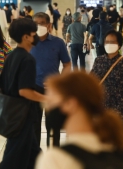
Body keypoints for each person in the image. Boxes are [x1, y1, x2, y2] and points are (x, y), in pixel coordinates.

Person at [36, 72, 123, 169]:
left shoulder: (55, 159)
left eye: (50, 102)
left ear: (70, 104)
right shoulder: (114, 152)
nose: (47, 107)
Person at [0, 18, 45, 169]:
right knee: (12, 158)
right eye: (33, 33)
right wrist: (47, 99)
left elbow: (1, 88)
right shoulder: (27, 59)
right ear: (26, 37)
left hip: (12, 115)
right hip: (22, 116)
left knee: (34, 155)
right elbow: (25, 91)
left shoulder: (11, 56)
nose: (35, 36)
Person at [91, 30, 123, 164]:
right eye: (107, 42)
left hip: (120, 103)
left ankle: (121, 158)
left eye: (113, 42)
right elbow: (92, 80)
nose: (109, 44)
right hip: (102, 103)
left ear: (119, 45)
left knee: (120, 131)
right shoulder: (99, 60)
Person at [31, 12, 71, 146]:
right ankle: (35, 154)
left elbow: (67, 64)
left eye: (41, 23)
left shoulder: (58, 43)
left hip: (53, 89)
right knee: (34, 123)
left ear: (48, 25)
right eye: (35, 23)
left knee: (53, 124)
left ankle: (54, 152)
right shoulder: (28, 43)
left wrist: (60, 82)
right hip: (34, 88)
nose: (38, 26)